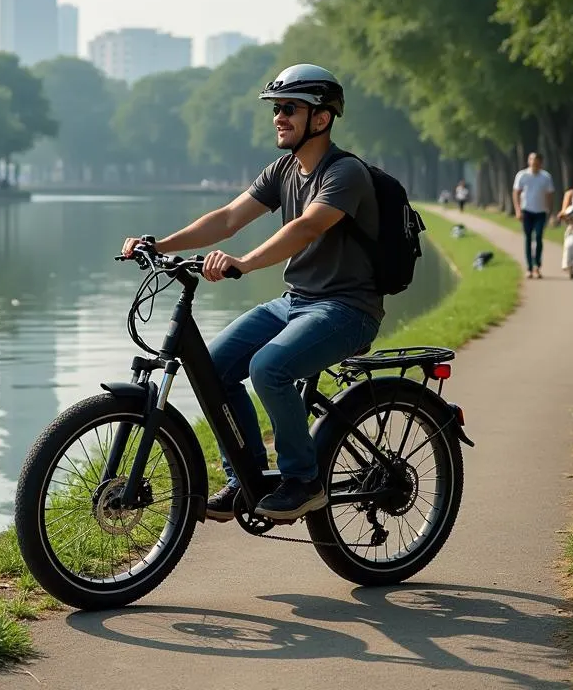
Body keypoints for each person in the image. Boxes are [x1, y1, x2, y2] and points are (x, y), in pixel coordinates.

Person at [120, 64, 382, 522]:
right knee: (213, 368)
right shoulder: (283, 170)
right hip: (296, 302)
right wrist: (157, 244)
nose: (278, 117)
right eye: (276, 109)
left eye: (289, 109)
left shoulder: (345, 173)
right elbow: (227, 218)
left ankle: (303, 481)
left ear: (320, 119)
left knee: (269, 367)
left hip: (347, 308)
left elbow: (307, 227)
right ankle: (247, 479)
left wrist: (243, 262)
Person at [512, 152, 555, 279]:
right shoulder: (522, 175)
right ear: (528, 161)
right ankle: (529, 267)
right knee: (528, 238)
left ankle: (537, 265)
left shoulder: (546, 177)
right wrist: (518, 210)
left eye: (536, 160)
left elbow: (550, 195)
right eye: (531, 159)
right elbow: (516, 193)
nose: (534, 162)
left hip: (541, 212)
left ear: (541, 162)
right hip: (527, 211)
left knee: (539, 237)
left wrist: (550, 212)